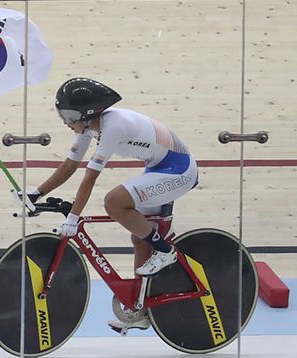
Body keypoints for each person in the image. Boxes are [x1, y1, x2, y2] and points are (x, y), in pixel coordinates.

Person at [27, 77, 198, 333]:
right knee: (140, 239)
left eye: (69, 114)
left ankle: (165, 251)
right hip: (159, 168)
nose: (65, 121)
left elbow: (90, 177)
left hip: (179, 171)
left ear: (87, 113)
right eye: (62, 113)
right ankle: (139, 311)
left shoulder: (113, 127)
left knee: (114, 202)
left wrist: (73, 217)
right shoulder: (89, 128)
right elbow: (70, 165)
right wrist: (36, 194)